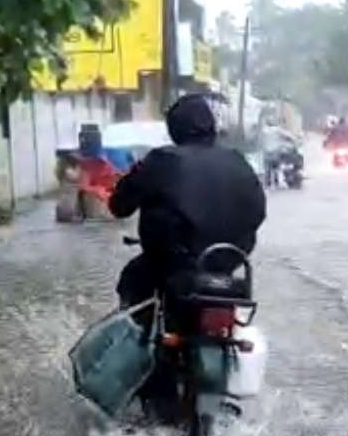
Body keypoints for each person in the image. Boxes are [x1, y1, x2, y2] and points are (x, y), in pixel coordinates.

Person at [110, 94, 267, 312]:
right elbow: (258, 210)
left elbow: (119, 207)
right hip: (228, 266)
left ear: (174, 128)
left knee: (132, 280)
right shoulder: (237, 159)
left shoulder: (161, 160)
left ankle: (142, 336)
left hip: (174, 266)